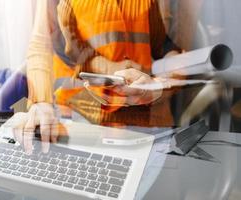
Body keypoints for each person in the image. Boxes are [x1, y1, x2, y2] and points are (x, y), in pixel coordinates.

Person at [13, 0, 182, 153]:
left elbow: (162, 45)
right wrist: (41, 101)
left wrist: (170, 75)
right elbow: (42, 43)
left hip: (147, 120)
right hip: (82, 116)